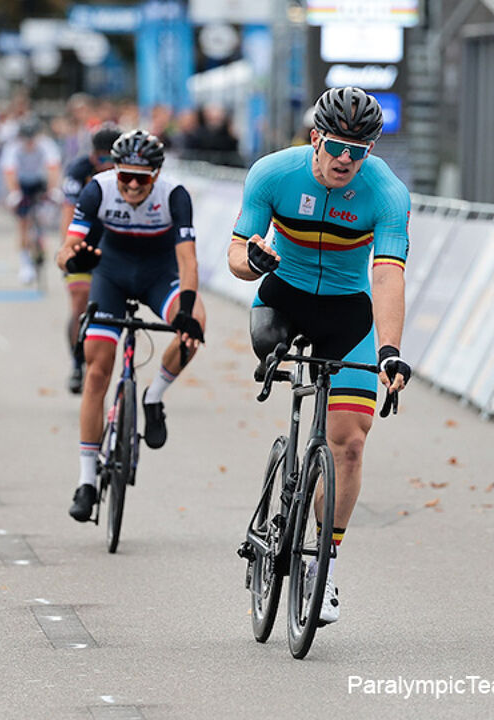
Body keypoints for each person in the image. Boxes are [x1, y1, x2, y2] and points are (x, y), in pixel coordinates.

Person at [228, 86, 412, 625]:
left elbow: (388, 274)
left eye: (361, 151)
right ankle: (280, 493)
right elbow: (237, 253)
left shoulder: (387, 194)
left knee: (350, 441)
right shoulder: (273, 174)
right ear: (315, 138)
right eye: (337, 147)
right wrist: (253, 259)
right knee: (281, 368)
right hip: (282, 300)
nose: (346, 161)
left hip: (346, 313)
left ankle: (323, 564)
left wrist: (390, 351)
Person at [57, 130, 206, 523]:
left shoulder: (175, 195)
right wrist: (71, 261)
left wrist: (187, 310)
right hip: (111, 276)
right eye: (126, 176)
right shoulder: (98, 190)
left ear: (156, 175)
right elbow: (67, 248)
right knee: (97, 371)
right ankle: (87, 480)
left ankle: (153, 397)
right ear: (115, 171)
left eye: (143, 177)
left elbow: (188, 263)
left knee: (196, 326)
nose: (134, 185)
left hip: (160, 275)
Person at [58, 123, 122, 394]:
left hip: (114, 246)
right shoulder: (79, 171)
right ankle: (77, 362)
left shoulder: (129, 174)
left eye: (113, 159)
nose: (107, 165)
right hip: (83, 243)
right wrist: (69, 250)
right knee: (80, 302)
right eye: (102, 158)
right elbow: (68, 213)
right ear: (93, 156)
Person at [0, 117, 62, 284]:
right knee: (23, 223)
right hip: (21, 184)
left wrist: (52, 190)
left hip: (39, 182)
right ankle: (25, 264)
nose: (29, 143)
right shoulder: (12, 147)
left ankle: (41, 239)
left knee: (42, 216)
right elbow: (9, 172)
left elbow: (53, 168)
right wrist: (14, 193)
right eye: (26, 140)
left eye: (32, 139)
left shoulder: (46, 144)